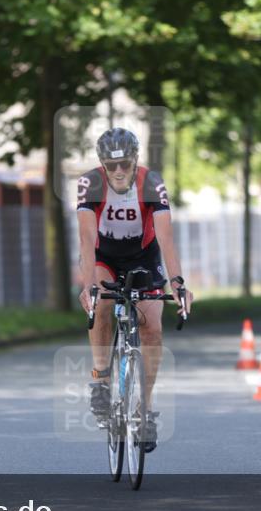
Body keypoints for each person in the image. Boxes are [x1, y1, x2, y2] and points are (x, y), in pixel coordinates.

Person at [77, 128, 193, 452]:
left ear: (135, 161)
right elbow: (86, 239)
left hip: (144, 256)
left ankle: (145, 411)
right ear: (102, 165)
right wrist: (89, 286)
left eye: (124, 164)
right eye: (111, 165)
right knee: (100, 304)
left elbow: (166, 238)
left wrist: (179, 285)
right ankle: (101, 380)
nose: (118, 172)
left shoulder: (151, 183)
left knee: (153, 327)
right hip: (104, 257)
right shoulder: (91, 183)